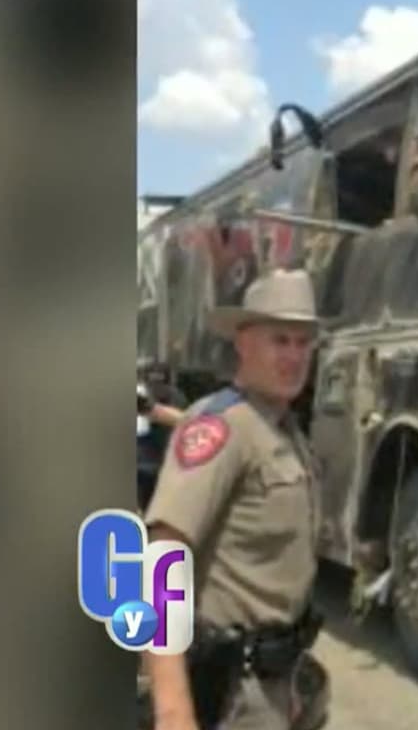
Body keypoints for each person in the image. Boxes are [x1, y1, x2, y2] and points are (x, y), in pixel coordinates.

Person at [142, 269, 329, 730]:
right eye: (279, 340)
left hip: (276, 684)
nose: (293, 355)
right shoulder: (221, 428)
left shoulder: (285, 432)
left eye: (303, 342)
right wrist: (172, 710)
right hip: (230, 693)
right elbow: (163, 559)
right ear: (243, 343)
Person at [137, 362, 187, 512]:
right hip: (145, 464)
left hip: (165, 464)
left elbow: (182, 421)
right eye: (152, 382)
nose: (157, 387)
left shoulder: (176, 398)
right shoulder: (144, 397)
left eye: (160, 382)